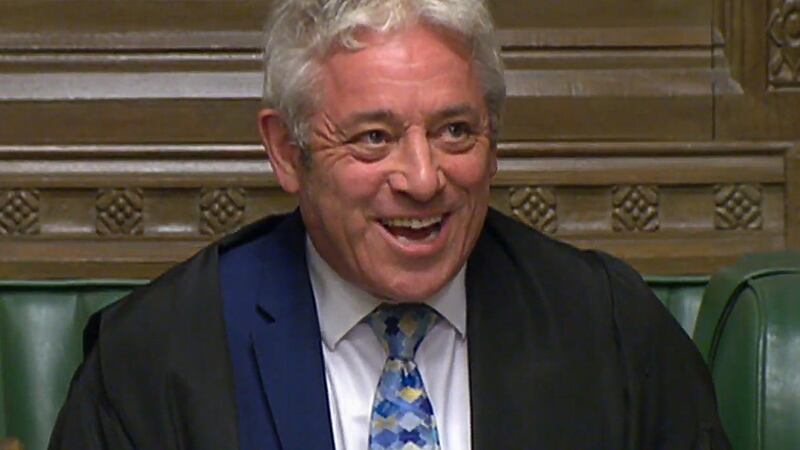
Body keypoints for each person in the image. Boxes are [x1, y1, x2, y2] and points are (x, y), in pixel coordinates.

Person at [49, 1, 731, 449]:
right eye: (374, 138)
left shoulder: (609, 329)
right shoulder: (156, 357)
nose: (424, 178)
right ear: (287, 151)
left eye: (456, 131)